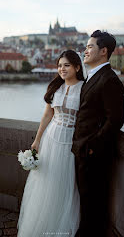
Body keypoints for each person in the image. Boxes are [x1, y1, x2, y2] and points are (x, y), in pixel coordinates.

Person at [17, 50, 85, 237]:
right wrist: (37, 140)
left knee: (66, 182)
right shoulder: (56, 87)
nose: (62, 69)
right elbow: (48, 115)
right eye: (59, 65)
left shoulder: (84, 89)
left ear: (77, 67)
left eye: (66, 65)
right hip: (52, 138)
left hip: (71, 141)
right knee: (46, 181)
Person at [72, 30, 124, 237]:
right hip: (83, 151)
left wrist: (92, 147)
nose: (85, 51)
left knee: (93, 209)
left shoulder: (109, 80)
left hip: (92, 155)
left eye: (90, 47)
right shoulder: (93, 77)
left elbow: (115, 120)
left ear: (103, 51)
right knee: (86, 205)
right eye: (85, 47)